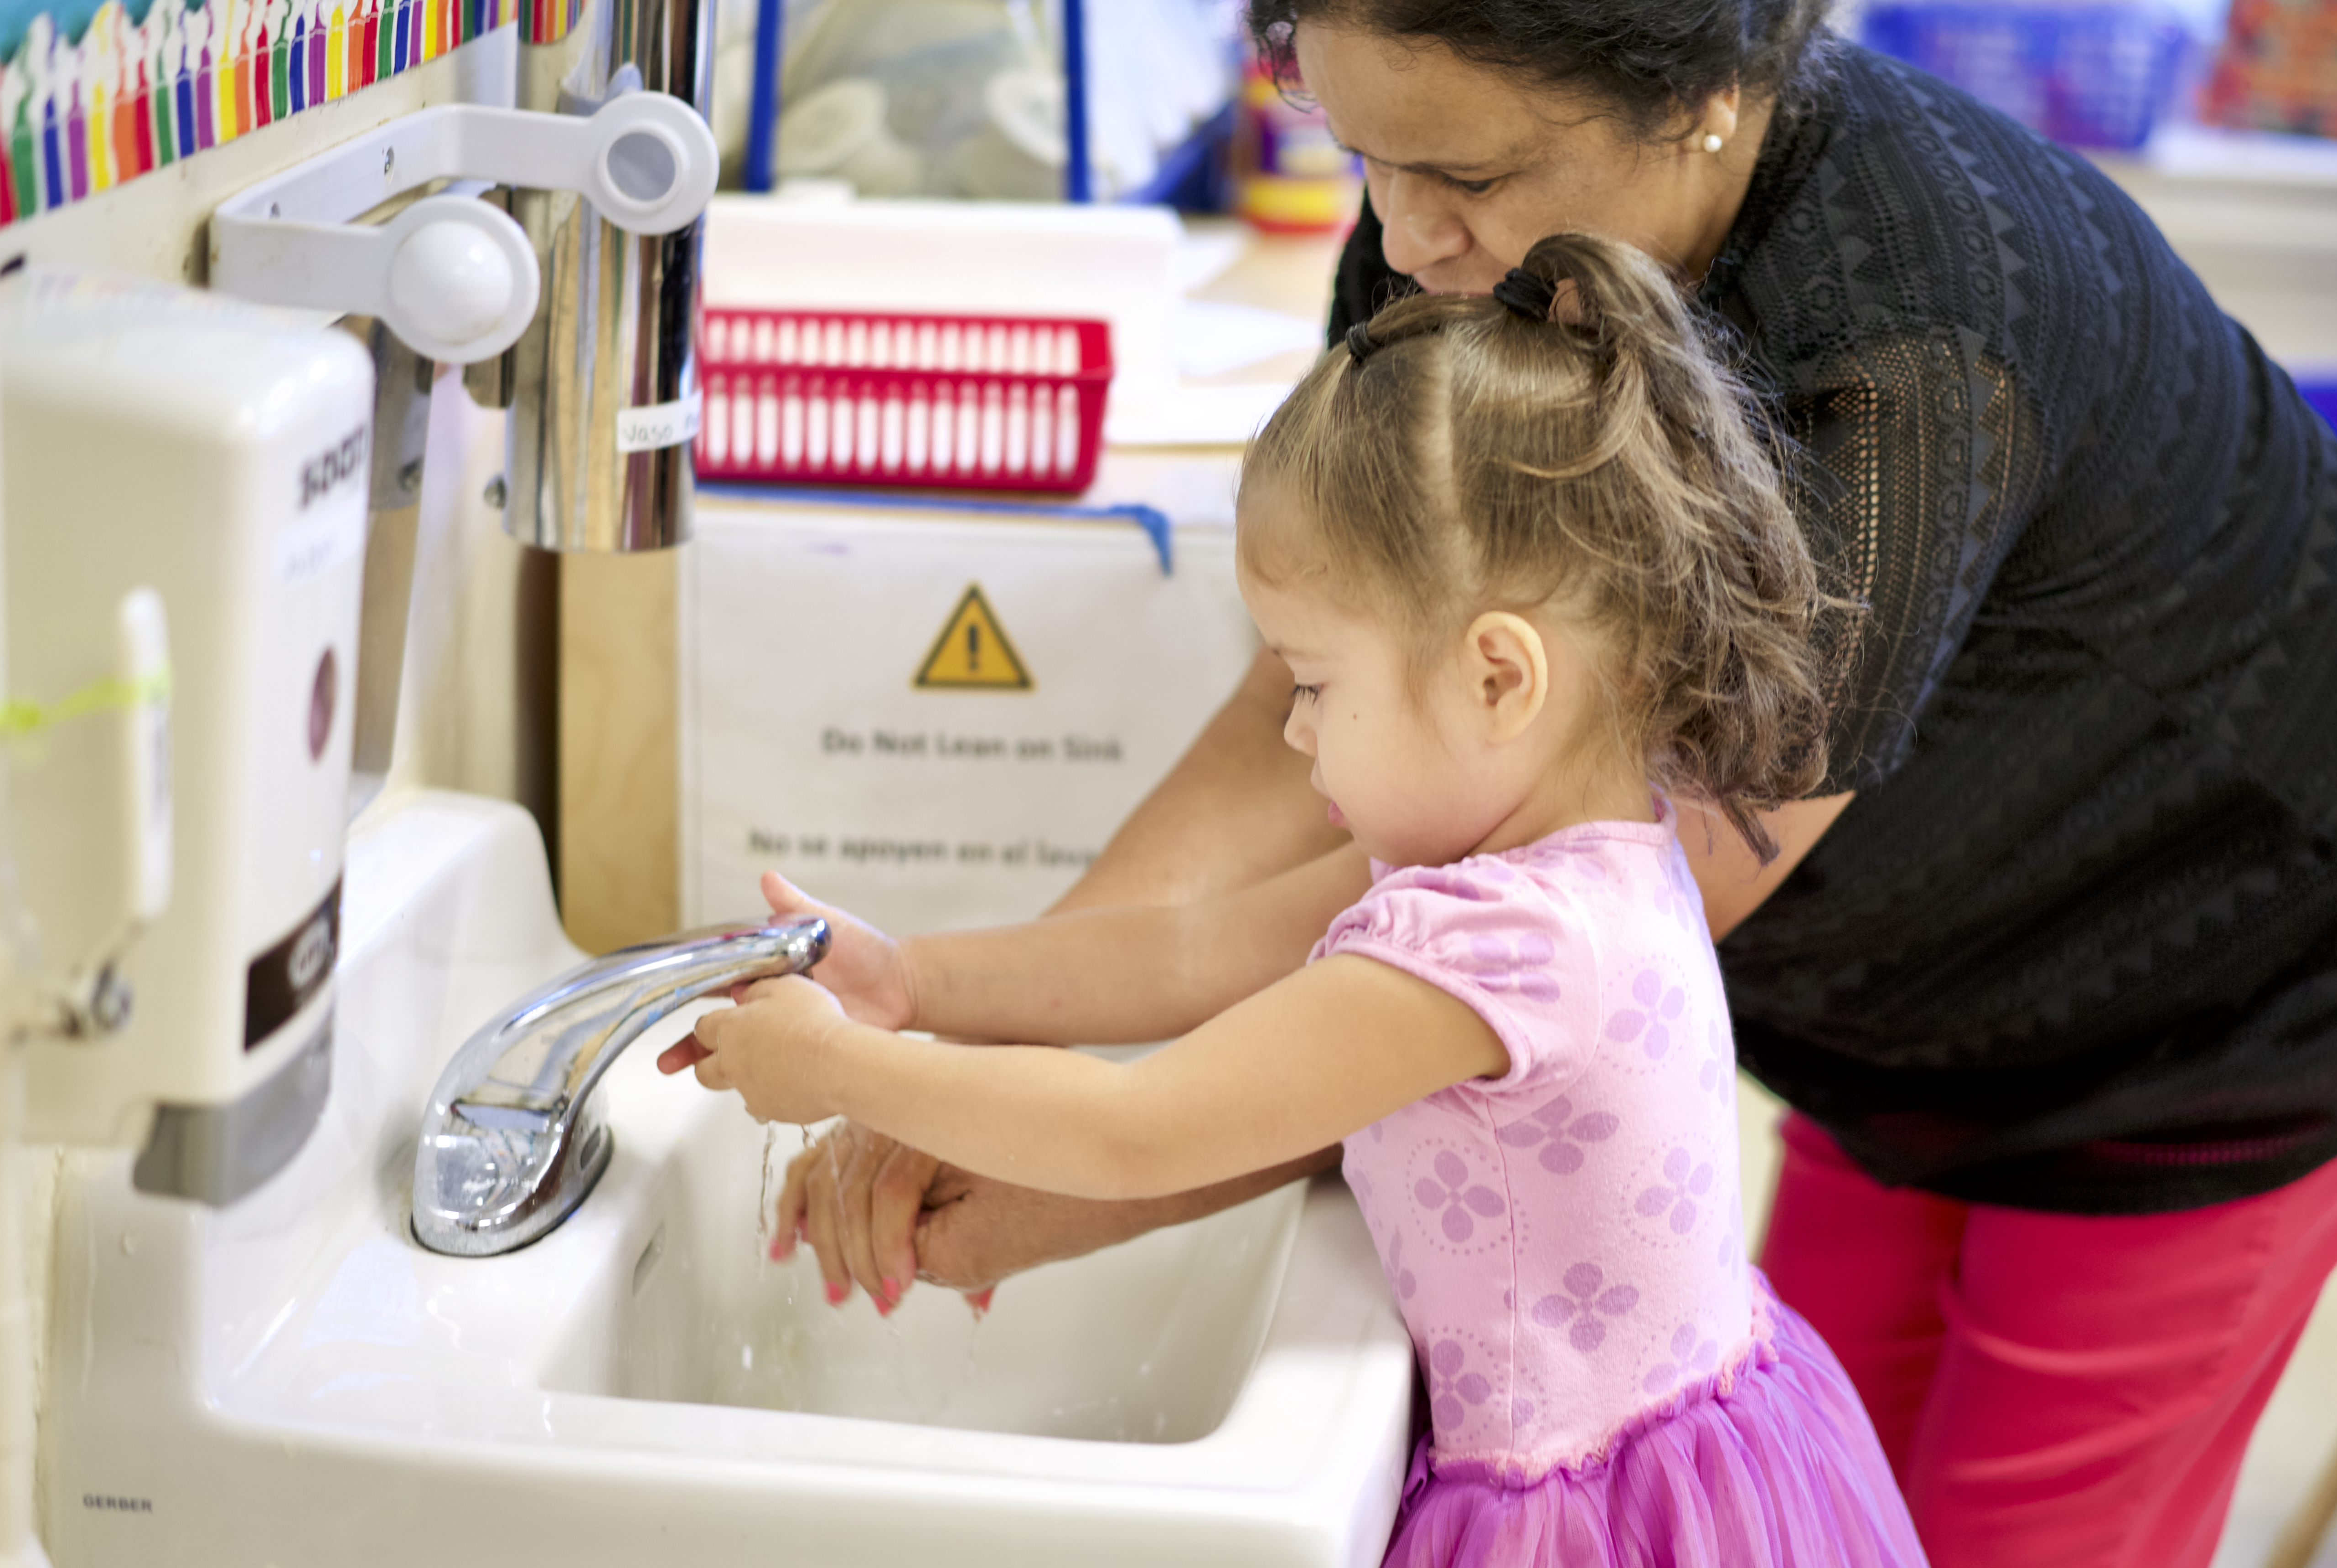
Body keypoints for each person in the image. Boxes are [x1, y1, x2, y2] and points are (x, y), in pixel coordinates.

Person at [765, 5, 2337, 1563]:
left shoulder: (1909, 352)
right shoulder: (1452, 242)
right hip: (1887, 1024)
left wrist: (1076, 1160)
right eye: (1359, 149)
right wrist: (954, 1014)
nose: (1400, 238)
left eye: (1461, 175)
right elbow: (1307, 711)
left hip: (2204, 1023)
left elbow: (1401, 994)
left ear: (1706, 93)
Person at [665, 233, 1926, 1568]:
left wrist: (840, 1069)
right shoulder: (1555, 849)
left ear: (1500, 678)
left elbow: (1139, 1130)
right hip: (1708, 1442)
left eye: (1311, 682)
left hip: (1576, 1516)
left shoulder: (1506, 948)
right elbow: (1196, 946)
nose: (1294, 733)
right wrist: (912, 980)